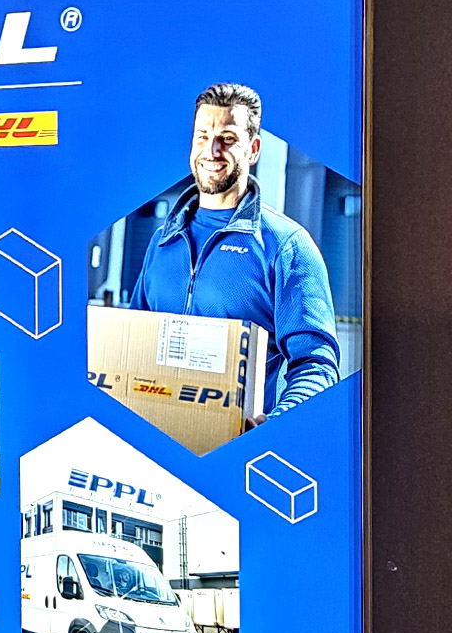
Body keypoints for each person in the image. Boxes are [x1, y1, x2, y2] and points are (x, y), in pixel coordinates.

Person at [130, 82, 340, 424]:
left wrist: (274, 425)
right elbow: (132, 345)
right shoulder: (162, 242)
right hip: (155, 442)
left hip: (235, 446)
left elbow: (316, 364)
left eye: (227, 139)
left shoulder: (285, 246)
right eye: (202, 136)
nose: (211, 151)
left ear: (253, 149)